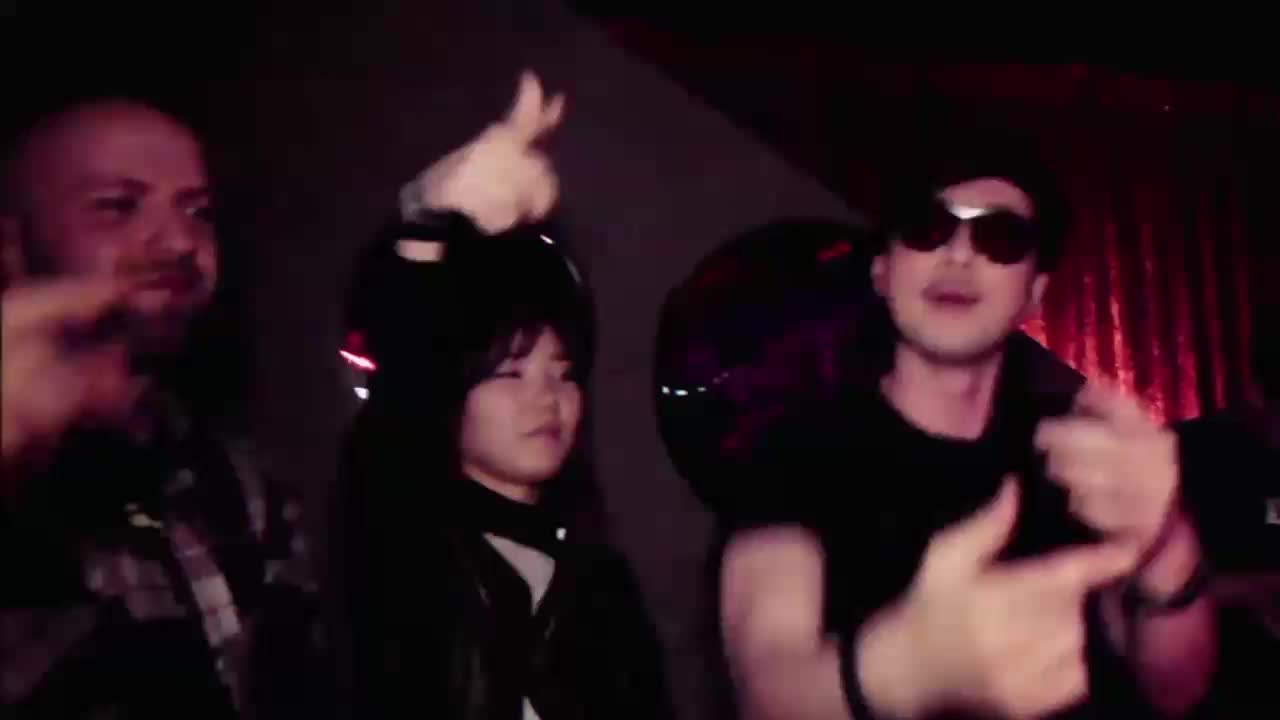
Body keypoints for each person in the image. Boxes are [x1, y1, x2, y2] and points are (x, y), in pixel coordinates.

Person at [718, 136, 1218, 719]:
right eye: (927, 227)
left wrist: (1168, 542)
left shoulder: (1077, 454)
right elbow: (766, 687)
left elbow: (1176, 691)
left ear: (1034, 295)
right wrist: (903, 669)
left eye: (1001, 237)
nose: (959, 254)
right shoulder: (792, 455)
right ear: (882, 271)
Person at [338, 75, 672, 719]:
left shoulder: (601, 580)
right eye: (512, 373)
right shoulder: (412, 549)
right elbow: (402, 376)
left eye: (563, 373)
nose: (547, 397)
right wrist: (427, 216)